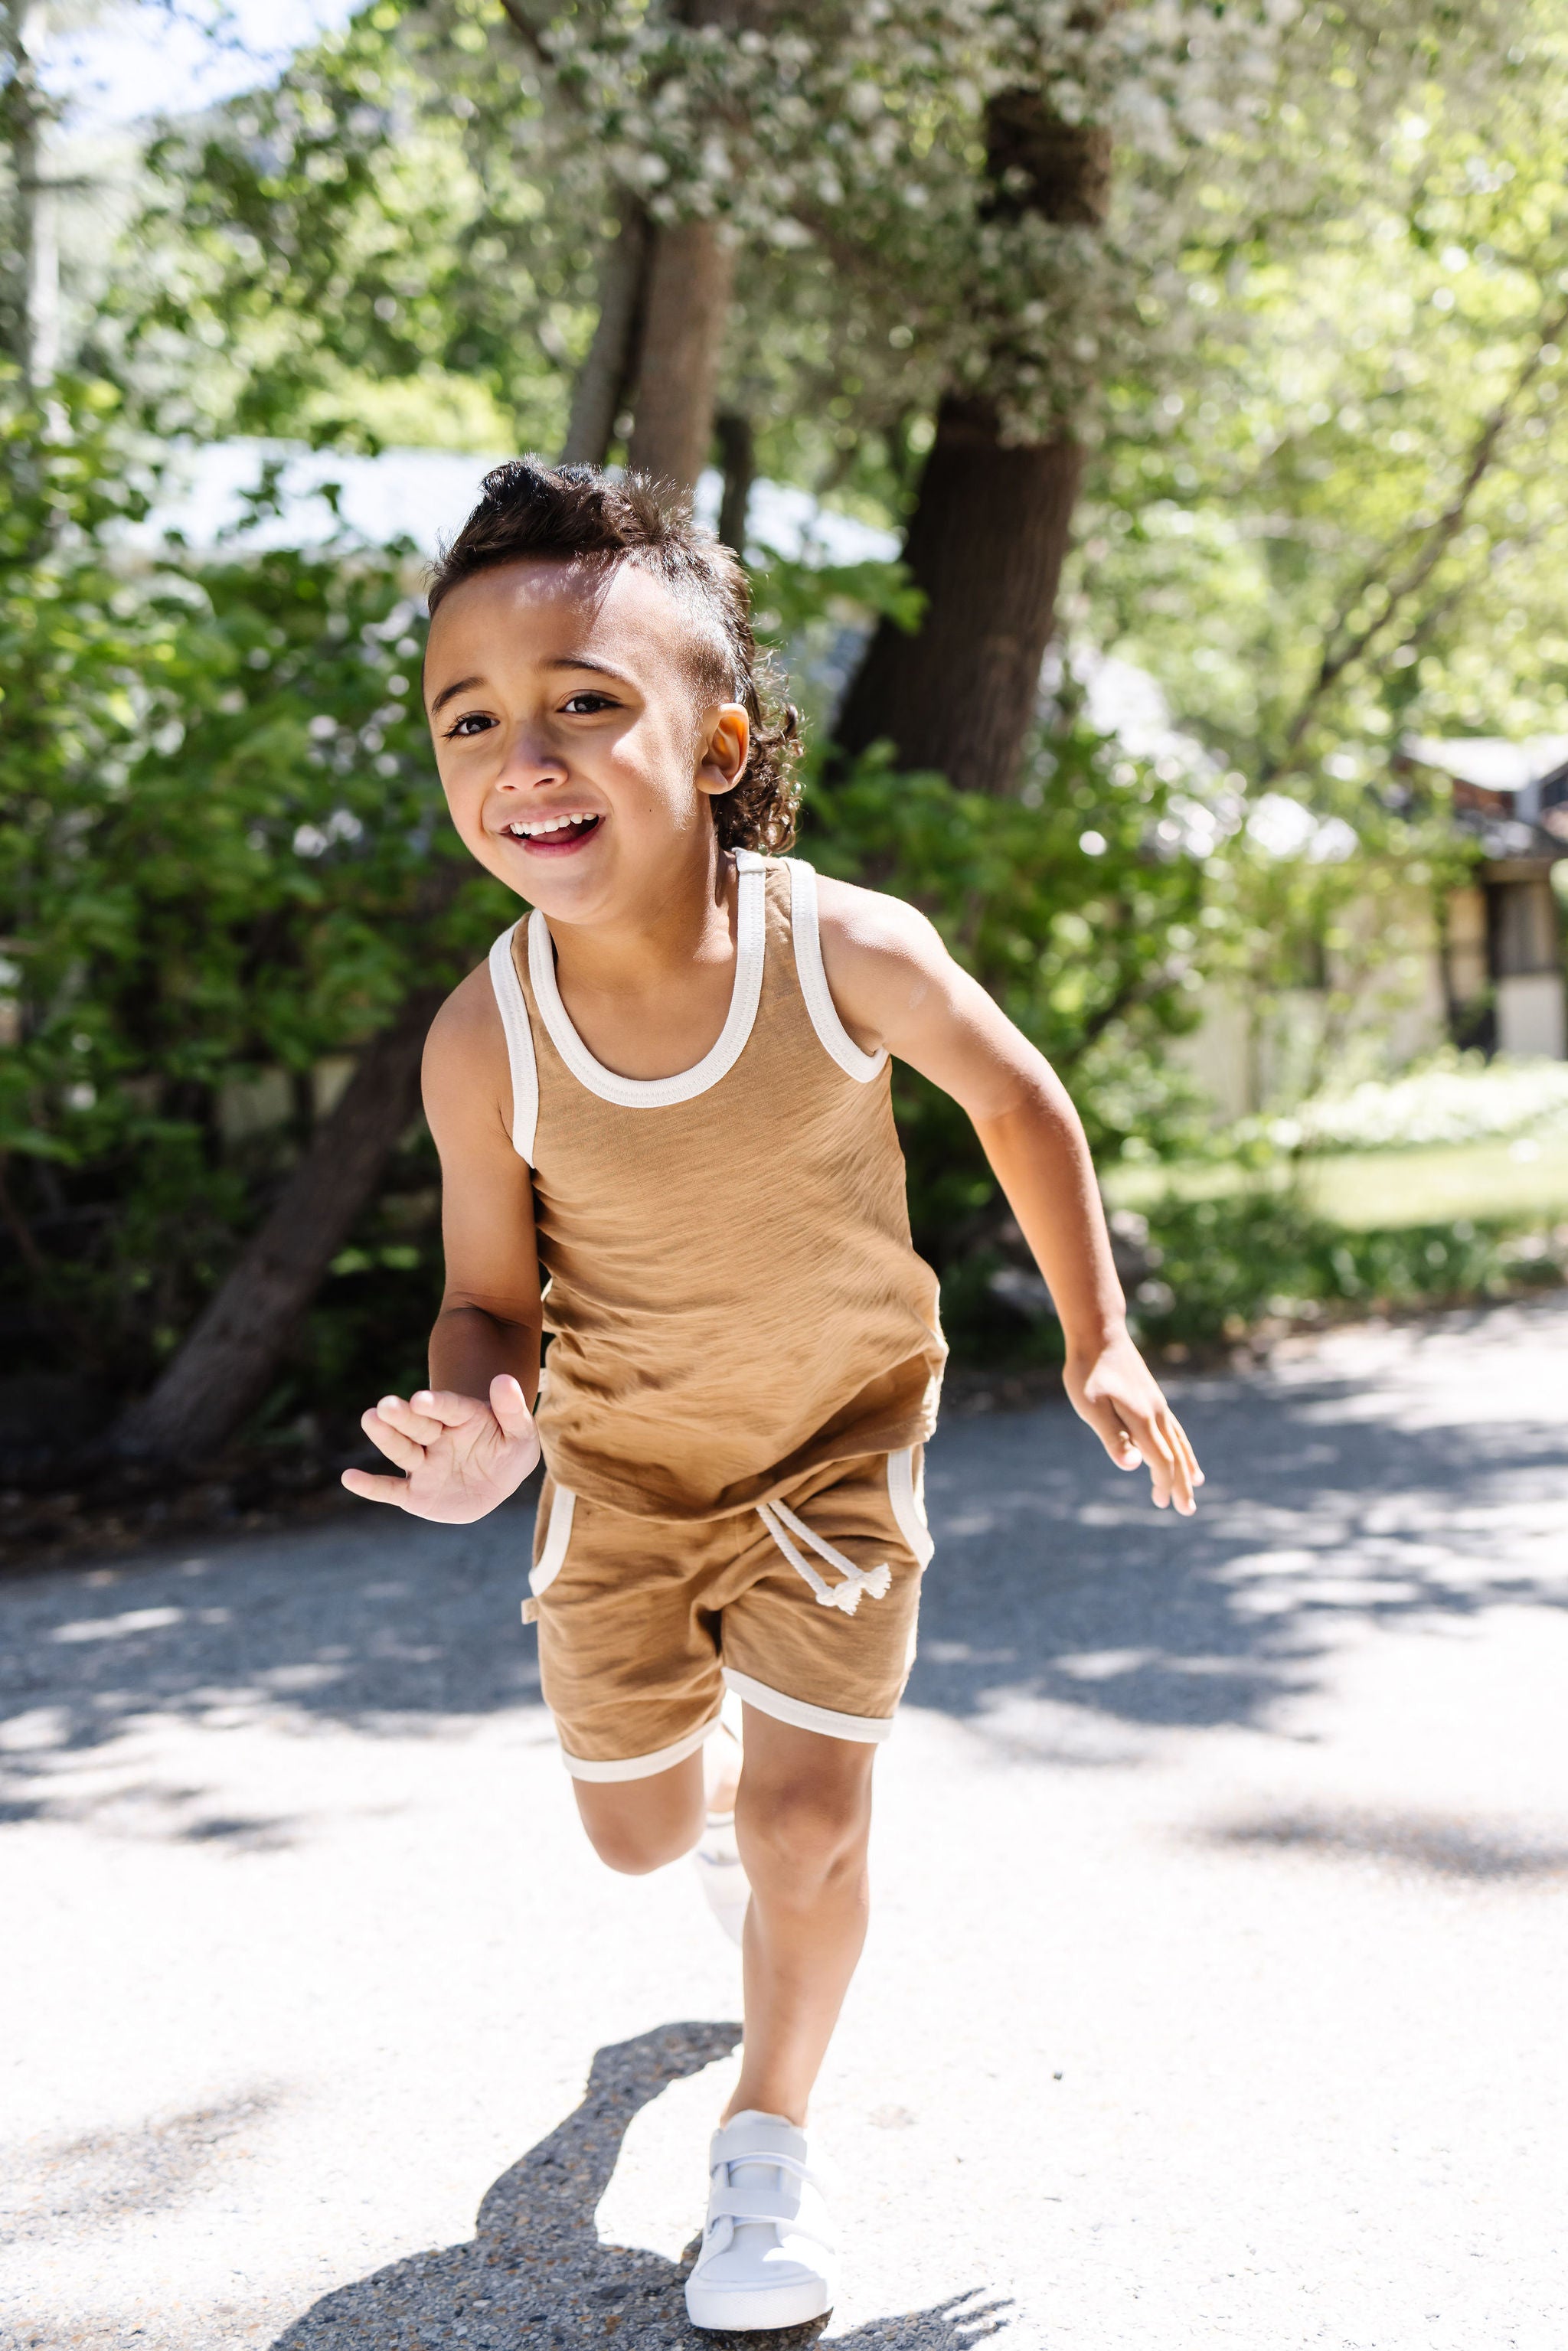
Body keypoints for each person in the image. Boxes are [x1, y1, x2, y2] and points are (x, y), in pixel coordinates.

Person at [343, 458, 1202, 2333]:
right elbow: (487, 1299)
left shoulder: (843, 949)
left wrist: (1096, 1331)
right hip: (627, 1478)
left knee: (811, 1827)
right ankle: (726, 1813)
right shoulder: (488, 1033)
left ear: (718, 742)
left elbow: (1015, 1097)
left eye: (587, 702)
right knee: (646, 1839)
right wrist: (475, 1421)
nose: (526, 752)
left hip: (834, 1449)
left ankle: (768, 2149)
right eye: (470, 717)